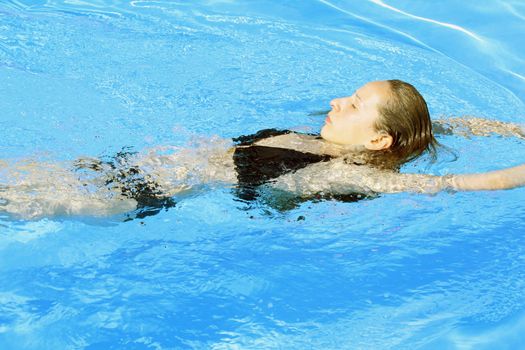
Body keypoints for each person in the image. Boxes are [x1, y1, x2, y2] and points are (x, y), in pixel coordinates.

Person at [1, 79, 524, 220]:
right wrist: (513, 130)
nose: (336, 101)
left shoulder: (344, 173)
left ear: (377, 140)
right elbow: (435, 127)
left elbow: (451, 183)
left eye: (355, 104)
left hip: (134, 193)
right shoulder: (330, 139)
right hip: (125, 169)